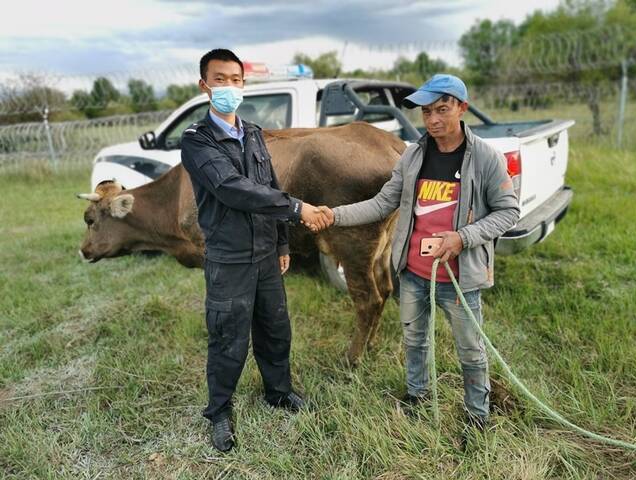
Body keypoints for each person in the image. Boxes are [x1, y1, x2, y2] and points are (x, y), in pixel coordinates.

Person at [315, 74, 520, 429]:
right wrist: (334, 215)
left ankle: (478, 415)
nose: (433, 120)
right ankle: (417, 395)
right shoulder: (413, 157)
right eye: (427, 112)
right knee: (414, 340)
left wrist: (463, 237)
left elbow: (509, 212)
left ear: (462, 108)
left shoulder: (486, 158)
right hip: (412, 273)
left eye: (442, 109)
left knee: (471, 351)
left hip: (460, 278)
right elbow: (382, 204)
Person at [180, 48, 330, 452]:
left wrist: (281, 241)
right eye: (220, 79)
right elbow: (232, 189)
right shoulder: (196, 141)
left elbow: (269, 188)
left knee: (275, 329)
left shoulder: (254, 133)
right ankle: (219, 411)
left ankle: (278, 392)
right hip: (229, 258)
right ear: (204, 86)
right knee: (228, 337)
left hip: (265, 254)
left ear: (244, 85)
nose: (228, 86)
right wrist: (299, 210)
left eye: (235, 79)